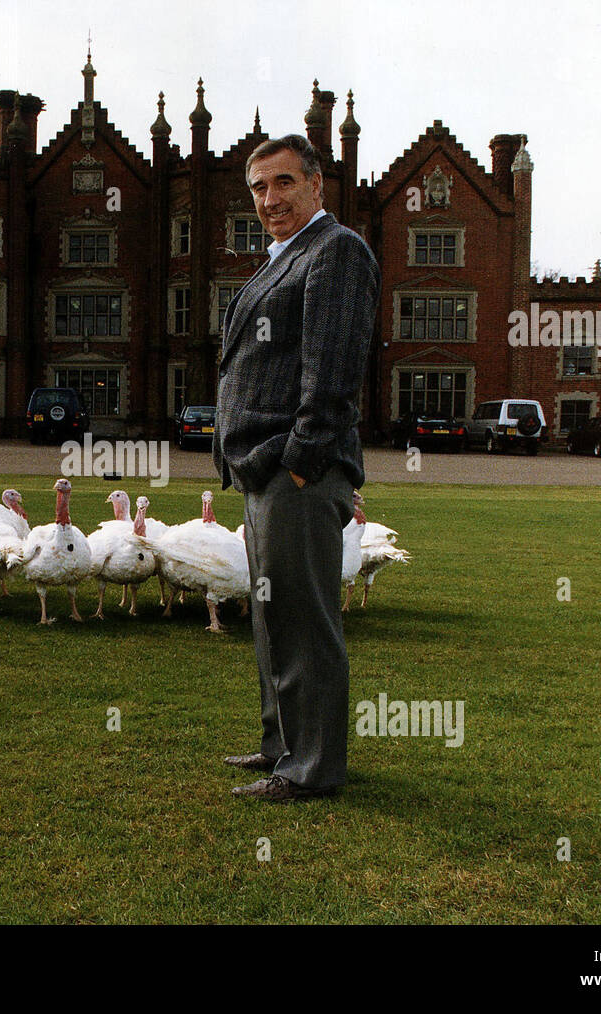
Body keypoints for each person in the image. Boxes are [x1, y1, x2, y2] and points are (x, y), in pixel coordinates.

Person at [212, 133, 380, 801]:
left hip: (296, 474)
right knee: (269, 617)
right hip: (265, 473)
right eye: (258, 187)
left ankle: (311, 770)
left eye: (283, 183)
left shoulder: (335, 251)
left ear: (316, 186)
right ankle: (283, 746)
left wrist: (301, 464)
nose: (269, 198)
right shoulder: (282, 258)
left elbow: (333, 371)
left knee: (303, 625)